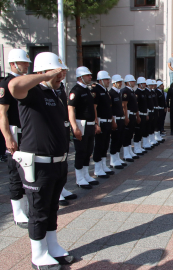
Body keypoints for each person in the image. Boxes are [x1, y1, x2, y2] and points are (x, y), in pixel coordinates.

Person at [9, 52, 75, 269]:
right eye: (57, 72)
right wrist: (44, 75)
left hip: (58, 162)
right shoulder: (32, 91)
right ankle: (38, 254)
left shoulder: (57, 93)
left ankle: (52, 246)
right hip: (38, 164)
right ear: (43, 71)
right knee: (38, 211)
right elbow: (14, 86)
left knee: (52, 207)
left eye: (62, 72)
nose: (61, 76)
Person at [0, 49, 31, 228]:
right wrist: (8, 138)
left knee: (28, 172)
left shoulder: (24, 82)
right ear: (13, 64)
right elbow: (2, 114)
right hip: (15, 133)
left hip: (27, 133)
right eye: (23, 63)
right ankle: (18, 213)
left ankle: (26, 208)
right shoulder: (6, 84)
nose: (26, 66)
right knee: (15, 173)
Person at [68, 66, 99, 189]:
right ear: (80, 77)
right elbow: (71, 109)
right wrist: (74, 127)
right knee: (80, 152)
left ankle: (86, 175)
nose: (90, 77)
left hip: (90, 125)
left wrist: (96, 123)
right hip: (81, 125)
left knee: (88, 151)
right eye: (88, 75)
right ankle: (79, 178)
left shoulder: (87, 90)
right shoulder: (76, 90)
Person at [56, 63, 78, 206]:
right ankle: (56, 192)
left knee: (63, 160)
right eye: (60, 71)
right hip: (53, 130)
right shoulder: (40, 89)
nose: (63, 73)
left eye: (64, 71)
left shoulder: (61, 87)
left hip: (62, 128)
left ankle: (61, 188)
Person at [91, 71, 115, 178]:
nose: (108, 81)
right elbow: (94, 108)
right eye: (106, 79)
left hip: (108, 121)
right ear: (100, 80)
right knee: (99, 145)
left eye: (108, 79)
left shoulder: (105, 91)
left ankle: (103, 165)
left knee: (105, 144)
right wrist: (96, 123)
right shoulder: (96, 91)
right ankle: (97, 168)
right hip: (101, 121)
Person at [121, 75, 141, 161]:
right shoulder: (125, 91)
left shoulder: (131, 91)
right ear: (128, 82)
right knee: (127, 134)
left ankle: (129, 151)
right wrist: (126, 117)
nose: (134, 82)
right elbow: (124, 105)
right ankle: (126, 153)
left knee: (130, 134)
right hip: (128, 114)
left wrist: (137, 116)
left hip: (133, 114)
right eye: (132, 81)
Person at [109, 75, 126, 169]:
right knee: (115, 140)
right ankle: (112, 160)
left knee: (120, 139)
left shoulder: (118, 93)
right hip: (115, 119)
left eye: (121, 82)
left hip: (121, 118)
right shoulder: (111, 93)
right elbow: (110, 109)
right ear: (114, 83)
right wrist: (113, 121)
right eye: (119, 82)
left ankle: (117, 157)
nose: (121, 83)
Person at [135, 77, 152, 150]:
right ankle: (136, 147)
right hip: (140, 114)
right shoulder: (137, 93)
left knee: (143, 130)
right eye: (144, 83)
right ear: (140, 84)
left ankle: (141, 146)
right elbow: (136, 106)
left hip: (144, 114)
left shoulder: (144, 92)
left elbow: (146, 105)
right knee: (138, 131)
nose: (145, 84)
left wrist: (147, 114)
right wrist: (138, 116)